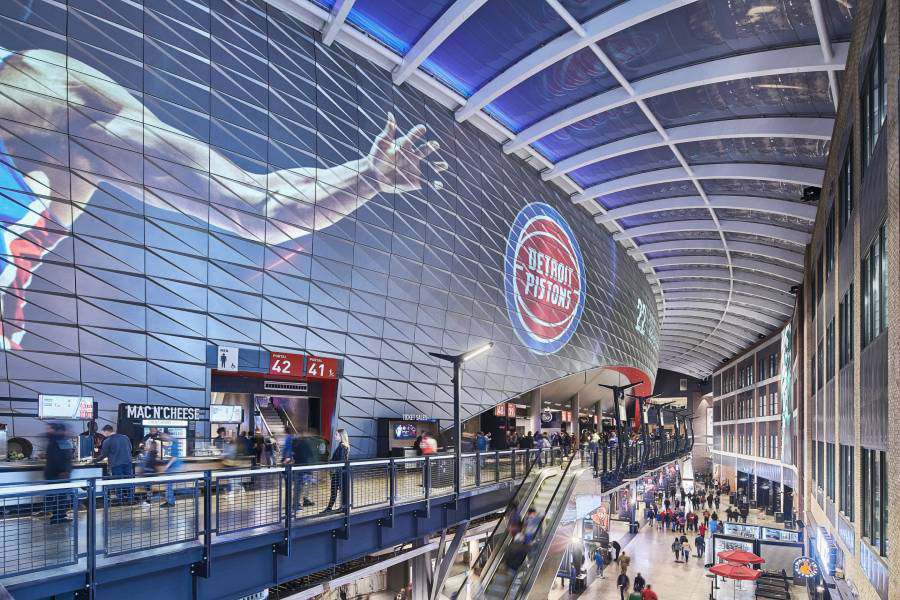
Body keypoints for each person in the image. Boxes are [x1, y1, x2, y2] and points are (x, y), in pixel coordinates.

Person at [95, 424, 134, 504]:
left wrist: (94, 461)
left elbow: (103, 455)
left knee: (118, 482)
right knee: (129, 481)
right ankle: (130, 499)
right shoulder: (125, 437)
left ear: (106, 431)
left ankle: (120, 500)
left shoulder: (107, 441)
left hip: (116, 464)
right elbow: (130, 448)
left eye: (103, 433)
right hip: (128, 462)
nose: (103, 435)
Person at [44, 422, 73, 524]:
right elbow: (65, 457)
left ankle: (56, 516)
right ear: (61, 431)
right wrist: (65, 470)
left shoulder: (51, 440)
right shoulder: (61, 440)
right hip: (61, 474)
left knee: (55, 496)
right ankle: (59, 517)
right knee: (61, 497)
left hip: (51, 473)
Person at [290, 431, 318, 513]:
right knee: (300, 486)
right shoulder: (305, 442)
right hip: (304, 468)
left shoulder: (295, 443)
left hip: (301, 468)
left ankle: (302, 501)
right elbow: (311, 455)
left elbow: (293, 454)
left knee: (303, 486)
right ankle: (297, 504)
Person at [323, 429, 350, 513]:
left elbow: (340, 461)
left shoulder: (342, 446)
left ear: (341, 436)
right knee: (340, 491)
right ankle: (341, 508)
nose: (335, 436)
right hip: (341, 473)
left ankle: (330, 509)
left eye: (336, 435)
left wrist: (331, 463)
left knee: (334, 491)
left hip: (338, 473)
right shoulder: (343, 446)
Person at [158, 431, 182, 507]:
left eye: (163, 437)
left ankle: (170, 502)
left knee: (168, 485)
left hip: (174, 467)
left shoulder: (174, 442)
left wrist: (166, 466)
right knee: (169, 485)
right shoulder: (173, 441)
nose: (163, 439)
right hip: (175, 466)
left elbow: (174, 457)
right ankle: (170, 501)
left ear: (166, 435)